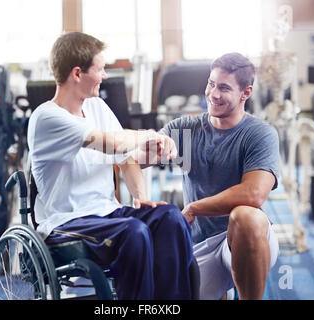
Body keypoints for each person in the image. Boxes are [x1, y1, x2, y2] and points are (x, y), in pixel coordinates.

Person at [27, 31, 194, 300]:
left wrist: (142, 199)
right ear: (78, 74)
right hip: (67, 221)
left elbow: (125, 158)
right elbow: (113, 144)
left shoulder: (96, 107)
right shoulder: (46, 118)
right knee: (134, 233)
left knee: (171, 219)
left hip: (107, 213)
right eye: (101, 69)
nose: (104, 76)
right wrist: (151, 134)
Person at [158, 52, 280, 300]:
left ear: (245, 93)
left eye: (224, 88)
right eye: (211, 84)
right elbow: (141, 154)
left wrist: (193, 208)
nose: (213, 94)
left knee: (246, 216)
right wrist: (122, 143)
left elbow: (253, 194)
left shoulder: (260, 133)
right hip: (200, 243)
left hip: (248, 239)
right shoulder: (185, 130)